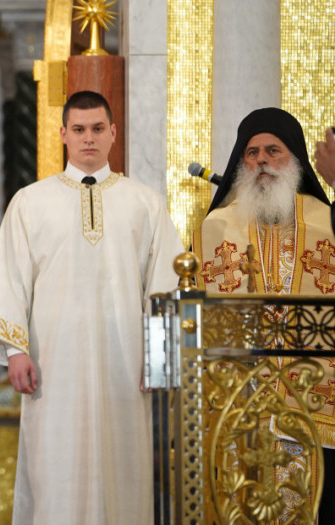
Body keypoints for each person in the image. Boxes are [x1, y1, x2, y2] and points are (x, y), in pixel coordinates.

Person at [0, 91, 183, 524]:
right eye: (80, 129)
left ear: (113, 133)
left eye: (98, 129)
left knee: (124, 473)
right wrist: (15, 351)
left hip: (126, 364)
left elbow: (165, 283)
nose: (89, 138)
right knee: (54, 473)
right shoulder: (30, 202)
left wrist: (158, 358)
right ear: (63, 134)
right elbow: (10, 278)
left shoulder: (145, 203)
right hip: (52, 366)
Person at [191, 107, 335, 522]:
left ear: (296, 160)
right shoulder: (215, 229)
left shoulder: (327, 223)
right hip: (239, 410)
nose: (261, 161)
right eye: (251, 152)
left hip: (315, 406)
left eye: (274, 150)